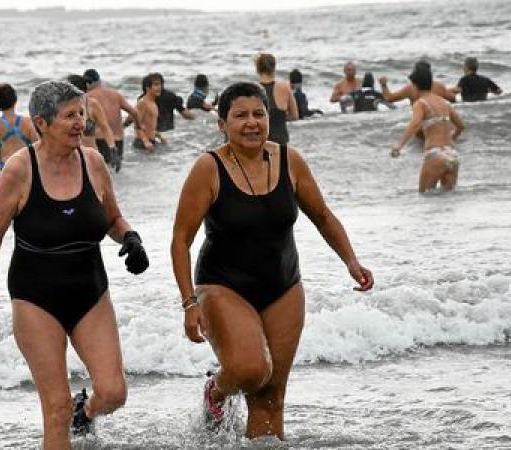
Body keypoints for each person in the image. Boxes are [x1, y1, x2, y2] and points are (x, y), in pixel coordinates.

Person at [170, 82, 373, 440]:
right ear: (222, 124)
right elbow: (181, 239)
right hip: (222, 284)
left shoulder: (289, 160)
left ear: (268, 117)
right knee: (249, 370)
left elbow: (323, 216)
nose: (252, 123)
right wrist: (189, 302)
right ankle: (215, 391)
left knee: (271, 397)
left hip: (283, 285)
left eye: (259, 114)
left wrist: (351, 262)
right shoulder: (209, 168)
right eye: (241, 116)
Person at [0, 81, 149, 450]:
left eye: (81, 113)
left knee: (114, 392)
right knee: (56, 409)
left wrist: (131, 239)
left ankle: (88, 412)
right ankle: (71, 415)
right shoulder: (20, 171)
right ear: (42, 122)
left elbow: (114, 219)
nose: (80, 122)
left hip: (90, 293)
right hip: (36, 299)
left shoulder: (93, 162)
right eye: (69, 116)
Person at [391, 66, 465, 193]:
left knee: (424, 196)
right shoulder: (444, 102)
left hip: (435, 154)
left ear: (414, 86)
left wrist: (399, 145)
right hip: (452, 154)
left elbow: (415, 124)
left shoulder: (420, 103)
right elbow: (461, 126)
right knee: (447, 200)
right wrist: (452, 138)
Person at [0, 83, 38, 191]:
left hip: (6, 170)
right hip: (27, 169)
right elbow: (38, 148)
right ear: (15, 101)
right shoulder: (28, 122)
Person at [84, 69, 144, 170]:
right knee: (116, 171)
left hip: (100, 140)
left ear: (87, 83)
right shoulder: (116, 94)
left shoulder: (88, 98)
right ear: (99, 80)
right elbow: (134, 112)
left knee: (100, 172)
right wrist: (136, 126)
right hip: (118, 140)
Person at [65, 74, 118, 170]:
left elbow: (105, 127)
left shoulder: (92, 105)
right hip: (70, 160)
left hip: (90, 159)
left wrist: (112, 148)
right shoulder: (62, 108)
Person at [254, 52, 298, 144]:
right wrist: (280, 119)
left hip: (262, 142)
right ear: (274, 67)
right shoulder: (285, 87)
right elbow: (294, 116)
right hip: (281, 141)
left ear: (258, 69)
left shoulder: (254, 90)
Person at [379, 59, 456, 104]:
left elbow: (389, 98)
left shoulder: (411, 88)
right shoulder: (440, 86)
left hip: (419, 118)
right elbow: (453, 99)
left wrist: (384, 85)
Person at [134, 73, 164, 152]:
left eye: (160, 85)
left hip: (151, 142)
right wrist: (145, 141)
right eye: (156, 85)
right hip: (142, 144)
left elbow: (150, 126)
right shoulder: (143, 103)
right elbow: (137, 126)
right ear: (147, 88)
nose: (159, 87)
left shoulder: (153, 103)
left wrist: (160, 136)